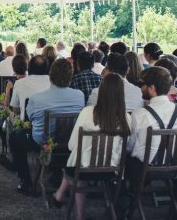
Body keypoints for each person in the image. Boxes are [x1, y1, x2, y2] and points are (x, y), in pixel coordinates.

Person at [52, 73, 131, 217]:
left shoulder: (87, 112)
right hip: (112, 170)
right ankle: (61, 195)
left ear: (101, 90)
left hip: (82, 169)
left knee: (79, 163)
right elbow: (127, 148)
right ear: (121, 94)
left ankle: (79, 215)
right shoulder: (126, 117)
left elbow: (71, 145)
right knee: (80, 162)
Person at [1, 58, 84, 195]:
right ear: (71, 76)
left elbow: (29, 118)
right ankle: (56, 175)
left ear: (50, 75)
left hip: (42, 142)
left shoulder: (37, 98)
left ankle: (25, 180)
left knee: (16, 136)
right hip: (69, 142)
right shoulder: (79, 96)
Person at [125, 67, 177, 214]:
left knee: (123, 159)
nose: (140, 88)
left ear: (152, 87)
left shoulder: (140, 114)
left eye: (142, 84)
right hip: (174, 168)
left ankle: (123, 206)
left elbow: (130, 147)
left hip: (142, 170)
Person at [10, 55, 52, 121]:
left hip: (27, 126)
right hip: (50, 125)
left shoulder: (19, 83)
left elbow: (15, 109)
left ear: (29, 67)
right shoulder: (53, 82)